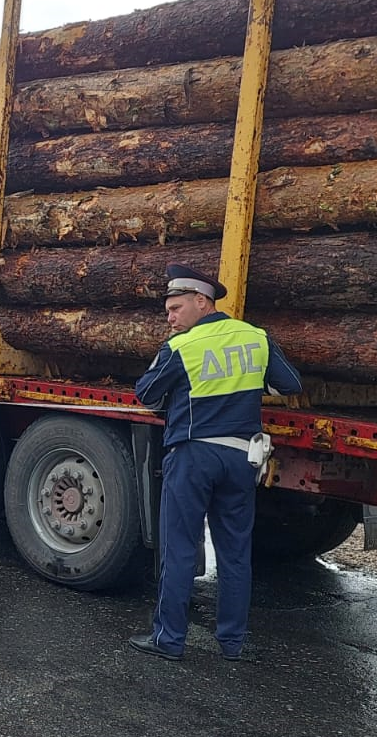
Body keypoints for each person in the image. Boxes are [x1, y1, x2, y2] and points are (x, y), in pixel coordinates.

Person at [129, 263, 303, 662]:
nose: (170, 317)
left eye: (175, 308)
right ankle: (232, 642)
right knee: (236, 553)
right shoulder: (255, 337)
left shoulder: (181, 347)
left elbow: (146, 394)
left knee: (179, 549)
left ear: (202, 302)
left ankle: (168, 640)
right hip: (242, 456)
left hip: (193, 456)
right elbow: (288, 384)